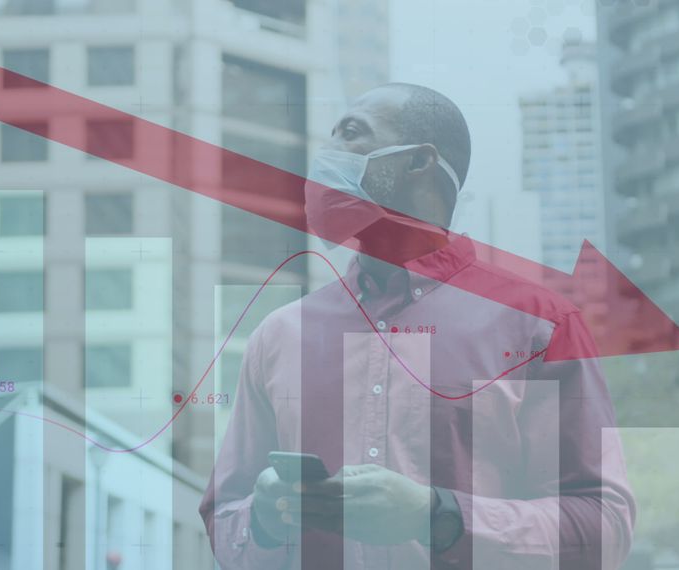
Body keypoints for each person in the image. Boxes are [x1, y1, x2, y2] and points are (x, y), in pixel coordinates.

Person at [199, 83, 635, 569]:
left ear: (417, 162)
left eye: (351, 133)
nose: (325, 157)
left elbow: (604, 528)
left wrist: (437, 516)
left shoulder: (539, 325)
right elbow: (223, 516)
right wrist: (261, 519)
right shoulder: (279, 336)